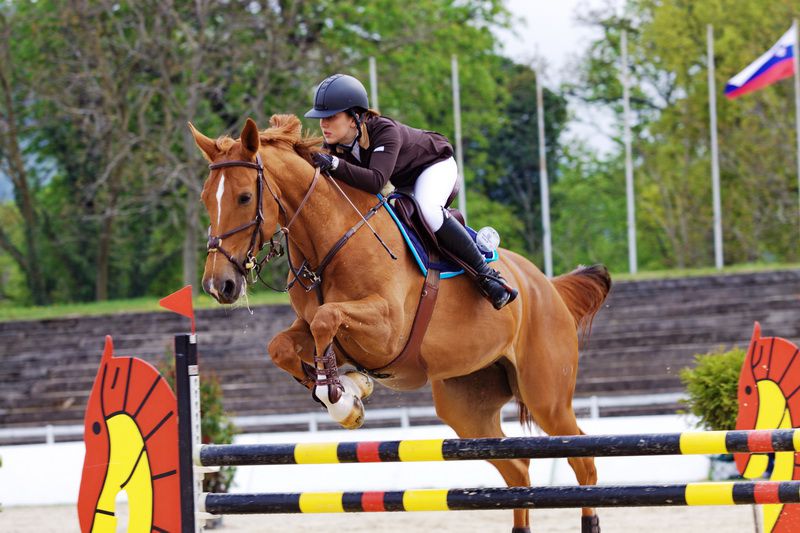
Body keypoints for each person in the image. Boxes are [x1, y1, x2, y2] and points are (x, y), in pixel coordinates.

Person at [304, 73, 517, 310]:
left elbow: (375, 181)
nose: (323, 124)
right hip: (405, 183)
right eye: (320, 118)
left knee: (428, 211)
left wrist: (333, 165)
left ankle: (488, 276)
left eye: (331, 117)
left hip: (435, 166)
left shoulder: (384, 131)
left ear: (354, 117)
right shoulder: (335, 147)